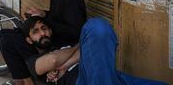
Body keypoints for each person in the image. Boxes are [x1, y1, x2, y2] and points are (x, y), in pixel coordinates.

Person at [0, 0, 87, 85]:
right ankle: (23, 79)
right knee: (4, 36)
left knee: (8, 39)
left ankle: (24, 81)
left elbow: (75, 32)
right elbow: (59, 18)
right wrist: (43, 14)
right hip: (51, 38)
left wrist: (46, 20)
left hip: (61, 44)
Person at [21, 16, 168, 85]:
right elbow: (52, 60)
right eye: (36, 31)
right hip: (82, 80)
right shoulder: (32, 60)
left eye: (44, 28)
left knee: (99, 27)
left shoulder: (64, 45)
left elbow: (87, 51)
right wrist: (79, 47)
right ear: (29, 39)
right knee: (95, 25)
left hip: (110, 77)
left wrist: (65, 65)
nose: (42, 33)